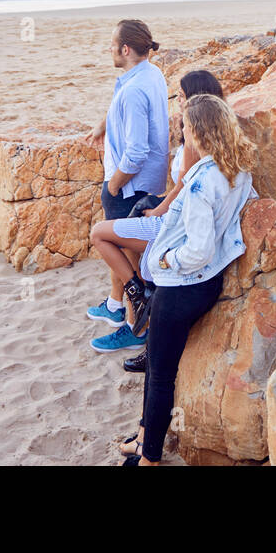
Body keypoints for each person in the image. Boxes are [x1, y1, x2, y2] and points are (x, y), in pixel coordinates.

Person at [118, 93, 258, 465]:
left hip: (181, 287)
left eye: (185, 126)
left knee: (160, 375)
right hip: (207, 284)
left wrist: (164, 259)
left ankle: (149, 458)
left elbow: (198, 250)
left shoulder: (199, 184)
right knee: (158, 370)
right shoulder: (238, 168)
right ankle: (146, 434)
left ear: (197, 131)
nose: (182, 132)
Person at [93, 69, 227, 369]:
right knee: (126, 237)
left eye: (180, 95)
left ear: (195, 97)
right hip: (175, 213)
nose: (177, 101)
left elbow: (183, 188)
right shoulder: (202, 128)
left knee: (103, 234)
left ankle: (135, 303)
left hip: (174, 223)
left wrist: (157, 210)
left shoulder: (196, 137)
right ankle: (132, 308)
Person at [81, 19, 170, 352]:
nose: (109, 49)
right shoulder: (150, 73)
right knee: (123, 249)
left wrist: (115, 186)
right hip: (148, 181)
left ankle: (134, 329)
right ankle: (115, 305)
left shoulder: (133, 90)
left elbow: (135, 152)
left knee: (128, 257)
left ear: (126, 49)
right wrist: (103, 125)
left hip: (131, 187)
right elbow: (126, 107)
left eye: (112, 44)